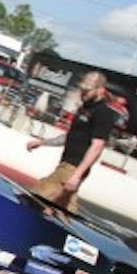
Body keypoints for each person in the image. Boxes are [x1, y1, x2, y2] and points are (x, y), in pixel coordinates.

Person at [25, 71, 118, 213]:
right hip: (65, 164)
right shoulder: (84, 108)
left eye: (87, 91)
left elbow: (97, 146)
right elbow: (70, 136)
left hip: (73, 168)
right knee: (58, 209)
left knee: (38, 197)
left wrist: (77, 175)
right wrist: (43, 142)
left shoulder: (103, 113)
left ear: (100, 90)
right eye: (82, 90)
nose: (83, 94)